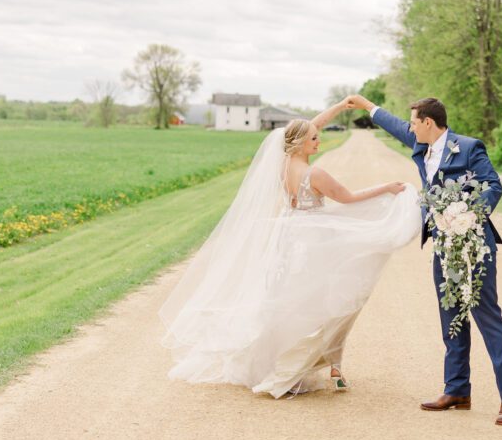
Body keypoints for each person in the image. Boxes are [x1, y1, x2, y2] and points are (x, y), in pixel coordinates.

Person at [158, 99, 420, 398]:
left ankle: (301, 363)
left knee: (288, 302)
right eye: (314, 138)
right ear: (299, 143)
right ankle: (326, 366)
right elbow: (347, 198)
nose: (319, 139)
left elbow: (310, 126)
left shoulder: (281, 165)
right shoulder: (315, 174)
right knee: (330, 303)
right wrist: (387, 187)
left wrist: (339, 107)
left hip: (288, 239)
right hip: (313, 243)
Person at [347, 94, 502, 426]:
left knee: (487, 316)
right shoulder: (421, 145)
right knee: (451, 315)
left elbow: (493, 186)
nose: (410, 128)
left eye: (414, 122)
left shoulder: (469, 147)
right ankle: (457, 389)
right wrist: (368, 106)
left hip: (473, 243)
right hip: (443, 244)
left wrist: (468, 215)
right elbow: (397, 126)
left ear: (428, 122)